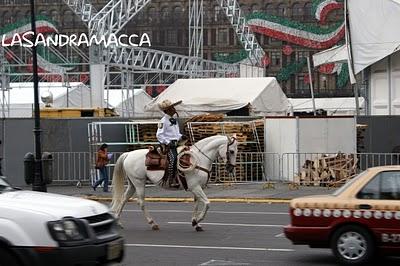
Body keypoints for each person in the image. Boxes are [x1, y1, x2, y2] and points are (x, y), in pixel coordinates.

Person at [156, 99, 185, 187]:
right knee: (174, 158)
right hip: (169, 146)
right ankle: (171, 179)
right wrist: (168, 142)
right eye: (172, 107)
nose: (174, 109)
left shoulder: (173, 119)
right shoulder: (163, 121)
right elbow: (159, 135)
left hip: (177, 143)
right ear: (167, 110)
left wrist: (181, 136)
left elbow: (175, 134)